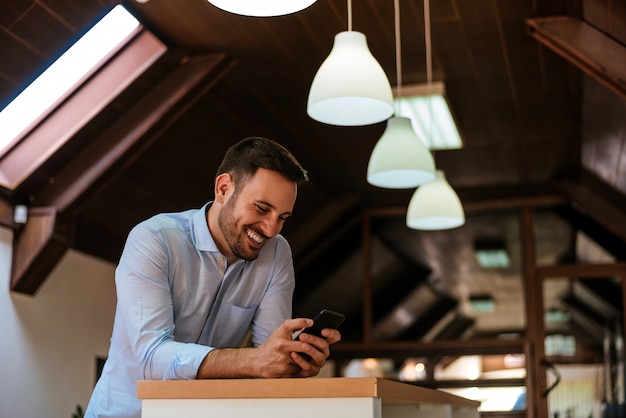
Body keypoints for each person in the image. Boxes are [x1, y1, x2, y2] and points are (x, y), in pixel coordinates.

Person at [85, 137, 342, 418]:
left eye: (282, 217)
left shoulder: (276, 253)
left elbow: (269, 359)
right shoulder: (153, 239)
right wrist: (256, 360)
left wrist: (291, 362)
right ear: (223, 189)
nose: (271, 229)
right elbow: (152, 358)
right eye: (261, 208)